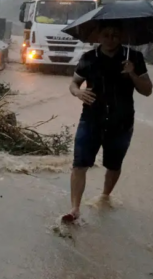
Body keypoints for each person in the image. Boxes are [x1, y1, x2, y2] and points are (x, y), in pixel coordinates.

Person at [63, 22, 152, 222]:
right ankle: (74, 209)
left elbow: (147, 90)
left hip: (121, 122)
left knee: (113, 165)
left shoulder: (134, 58)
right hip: (91, 119)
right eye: (106, 35)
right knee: (79, 164)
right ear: (98, 36)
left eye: (114, 35)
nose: (110, 39)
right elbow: (74, 82)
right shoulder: (89, 58)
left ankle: (105, 196)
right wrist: (78, 92)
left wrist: (132, 73)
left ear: (121, 36)